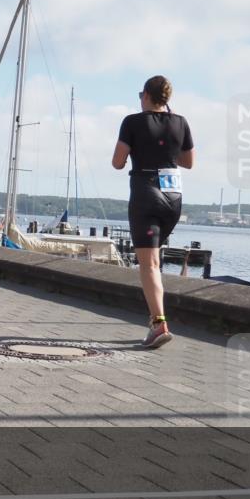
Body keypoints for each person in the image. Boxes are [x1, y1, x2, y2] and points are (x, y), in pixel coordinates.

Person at [112, 75, 194, 349]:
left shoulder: (132, 122)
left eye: (140, 94)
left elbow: (117, 162)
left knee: (149, 265)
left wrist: (139, 147)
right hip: (173, 198)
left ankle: (159, 323)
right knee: (155, 262)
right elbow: (188, 161)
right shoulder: (181, 122)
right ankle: (157, 322)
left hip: (146, 193)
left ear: (146, 95)